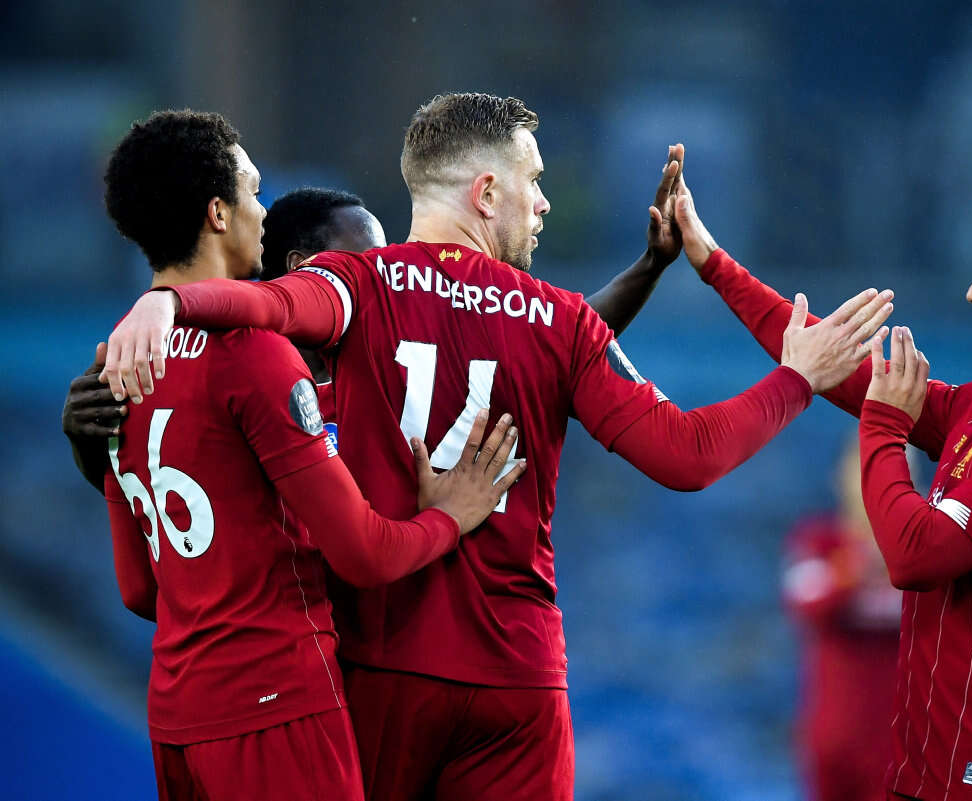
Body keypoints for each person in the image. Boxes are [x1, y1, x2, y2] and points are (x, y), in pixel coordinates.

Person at [98, 92, 894, 801]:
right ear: (485, 193)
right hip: (516, 682)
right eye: (533, 181)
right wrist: (796, 378)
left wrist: (168, 303)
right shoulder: (559, 321)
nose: (544, 202)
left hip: (381, 672)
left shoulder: (357, 284)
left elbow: (267, 309)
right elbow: (688, 455)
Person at [671, 172, 972, 800]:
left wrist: (884, 423)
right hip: (938, 767)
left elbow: (915, 556)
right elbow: (831, 365)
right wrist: (713, 264)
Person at [98, 109, 525, 801]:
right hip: (277, 707)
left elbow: (140, 590)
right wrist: (451, 514)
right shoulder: (254, 354)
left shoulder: (118, 360)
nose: (263, 212)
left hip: (178, 719)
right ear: (217, 214)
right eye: (252, 191)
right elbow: (364, 553)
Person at [64, 158, 691, 487]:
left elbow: (556, 337)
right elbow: (175, 505)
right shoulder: (240, 372)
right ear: (306, 268)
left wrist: (650, 266)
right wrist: (92, 445)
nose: (386, 277)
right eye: (365, 263)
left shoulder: (396, 361)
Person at [782, 433, 903, 801]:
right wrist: (857, 566)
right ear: (842, 476)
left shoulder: (926, 551)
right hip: (833, 737)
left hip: (898, 741)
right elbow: (805, 601)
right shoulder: (820, 541)